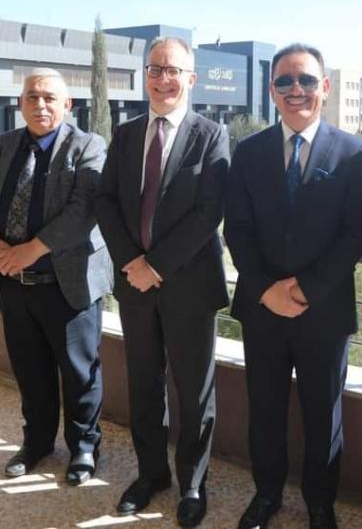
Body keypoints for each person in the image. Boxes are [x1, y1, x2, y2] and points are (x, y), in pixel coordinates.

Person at [225, 43, 362, 529]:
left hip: (324, 311)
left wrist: (307, 288)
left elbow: (358, 232)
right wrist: (266, 289)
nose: (296, 90)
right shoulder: (248, 152)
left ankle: (320, 503)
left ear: (324, 87)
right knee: (265, 408)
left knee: (322, 413)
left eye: (307, 80)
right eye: (284, 81)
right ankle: (266, 495)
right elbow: (237, 229)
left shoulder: (355, 153)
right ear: (272, 91)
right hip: (263, 309)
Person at [95, 37, 230, 527]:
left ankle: (193, 483)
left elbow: (208, 211)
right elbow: (106, 200)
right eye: (155, 69)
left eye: (173, 70)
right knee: (144, 385)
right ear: (145, 76)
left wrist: (156, 265)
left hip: (188, 285)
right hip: (135, 286)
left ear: (190, 78)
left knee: (194, 391)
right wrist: (132, 262)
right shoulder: (127, 133)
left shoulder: (211, 135)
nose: (163, 78)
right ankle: (151, 474)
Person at [0, 68, 111, 485]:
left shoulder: (88, 145)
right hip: (13, 284)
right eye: (32, 97)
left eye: (50, 98)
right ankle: (37, 443)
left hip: (67, 284)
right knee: (30, 370)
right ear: (20, 103)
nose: (40, 104)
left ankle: (84, 447)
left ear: (67, 105)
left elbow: (84, 208)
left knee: (80, 373)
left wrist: (30, 250)